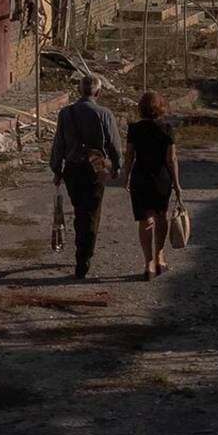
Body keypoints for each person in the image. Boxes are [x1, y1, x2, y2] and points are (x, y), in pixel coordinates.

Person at [49, 72, 121, 280]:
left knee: (80, 208)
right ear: (98, 92)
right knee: (91, 213)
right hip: (95, 169)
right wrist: (117, 166)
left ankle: (81, 245)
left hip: (72, 168)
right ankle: (83, 256)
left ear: (79, 91)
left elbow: (59, 144)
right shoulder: (104, 114)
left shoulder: (66, 114)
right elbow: (114, 144)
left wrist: (57, 169)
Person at [125, 91, 182, 280]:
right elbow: (171, 158)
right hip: (161, 178)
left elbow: (129, 156)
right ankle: (159, 255)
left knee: (145, 220)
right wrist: (177, 184)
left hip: (141, 177)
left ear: (141, 108)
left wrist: (126, 176)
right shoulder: (166, 129)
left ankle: (148, 262)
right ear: (160, 107)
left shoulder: (134, 129)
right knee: (161, 216)